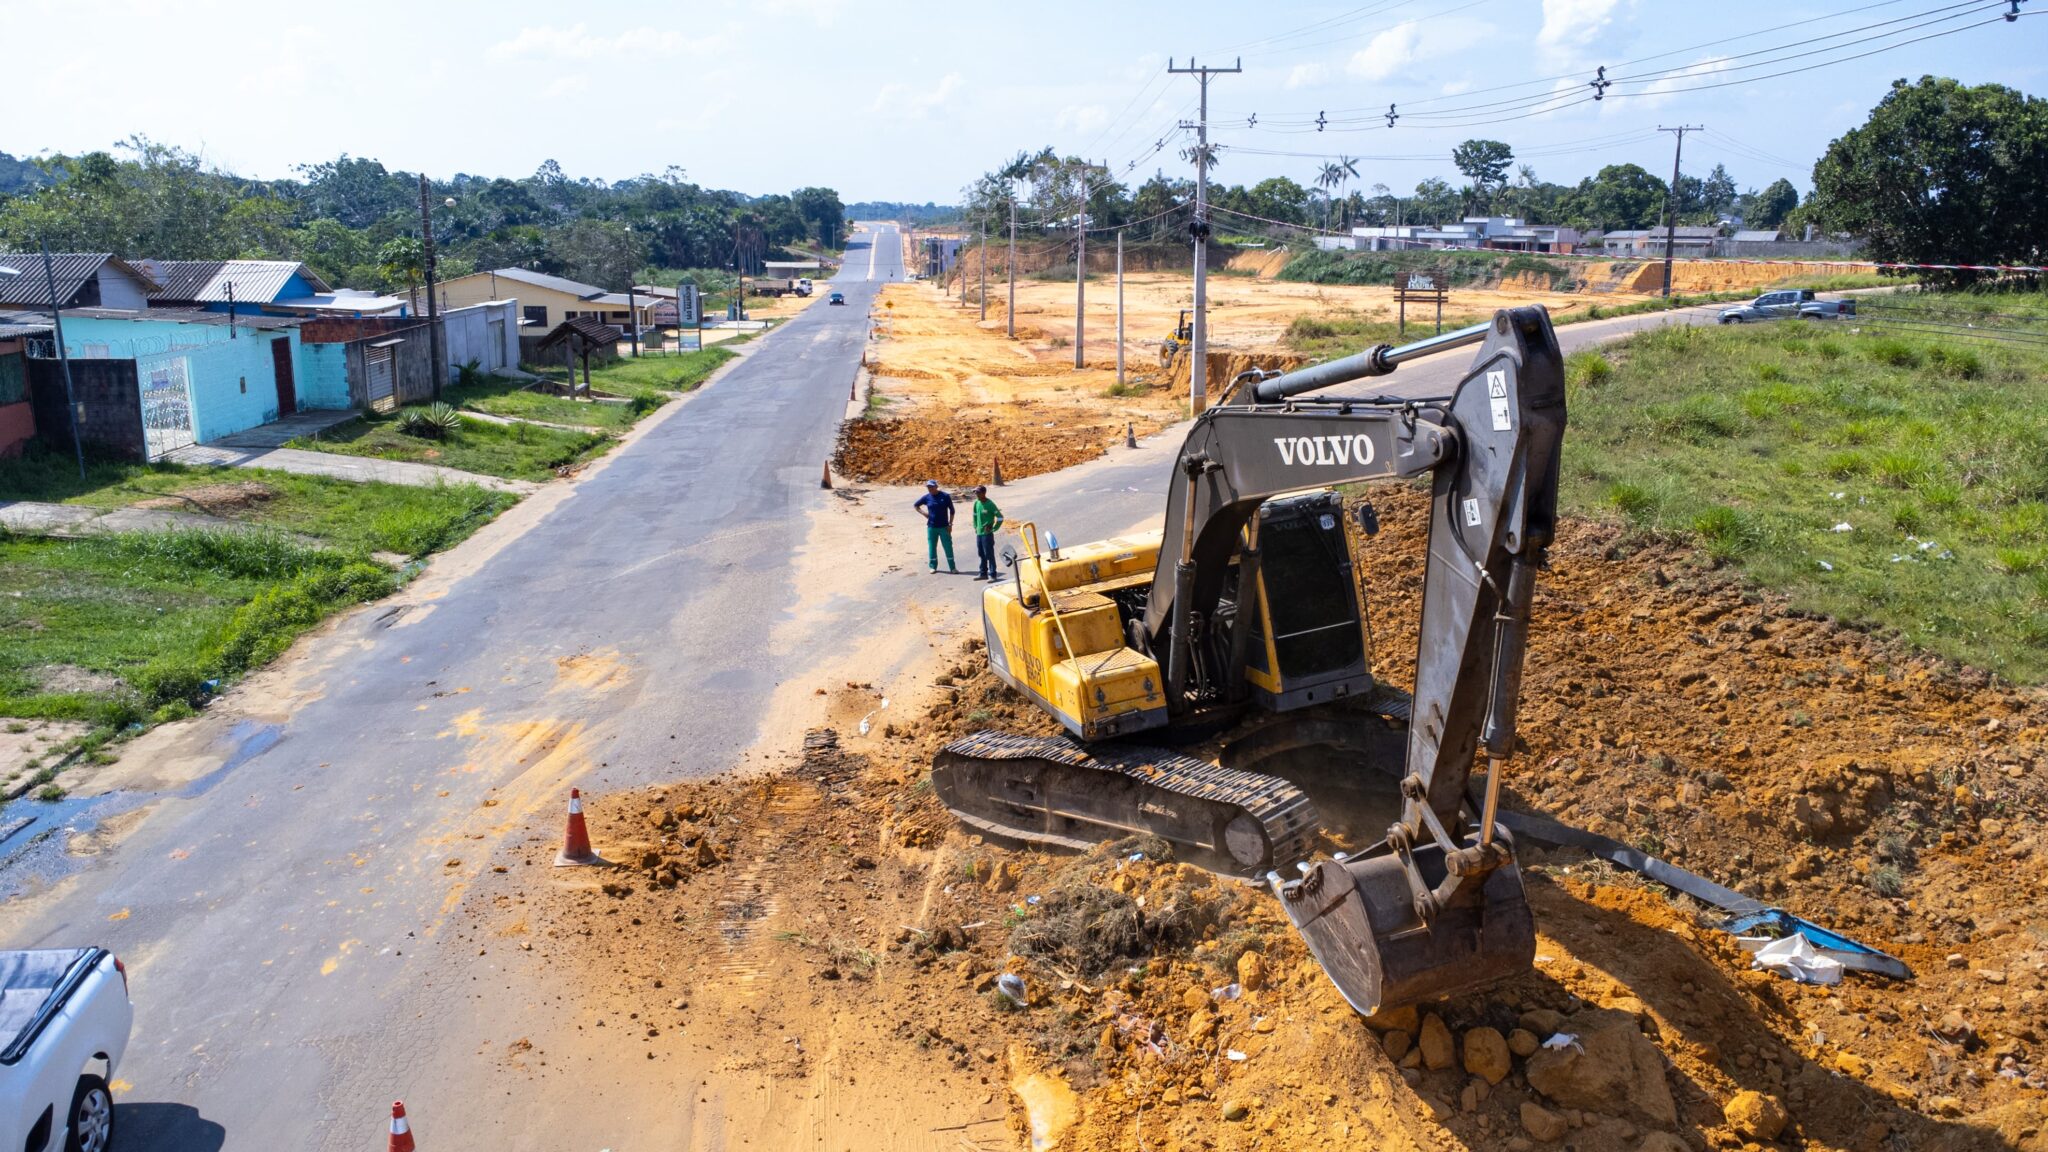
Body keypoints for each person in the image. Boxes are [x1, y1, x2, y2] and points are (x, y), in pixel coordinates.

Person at [913, 480, 957, 573]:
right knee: (932, 547)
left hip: (944, 527)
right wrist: (924, 513)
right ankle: (933, 566)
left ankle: (952, 567)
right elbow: (916, 505)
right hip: (932, 527)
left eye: (932, 487)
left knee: (948, 547)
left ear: (936, 486)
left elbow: (952, 510)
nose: (930, 489)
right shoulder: (927, 497)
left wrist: (950, 524)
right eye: (928, 487)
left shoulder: (945, 496)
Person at [970, 485, 1005, 580]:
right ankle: (983, 573)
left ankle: (993, 574)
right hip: (979, 534)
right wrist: (975, 526)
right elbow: (974, 515)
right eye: (975, 492)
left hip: (987, 535)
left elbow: (1000, 517)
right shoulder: (976, 503)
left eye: (978, 492)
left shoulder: (990, 504)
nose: (976, 494)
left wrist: (994, 528)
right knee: (981, 554)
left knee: (989, 554)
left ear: (984, 493)